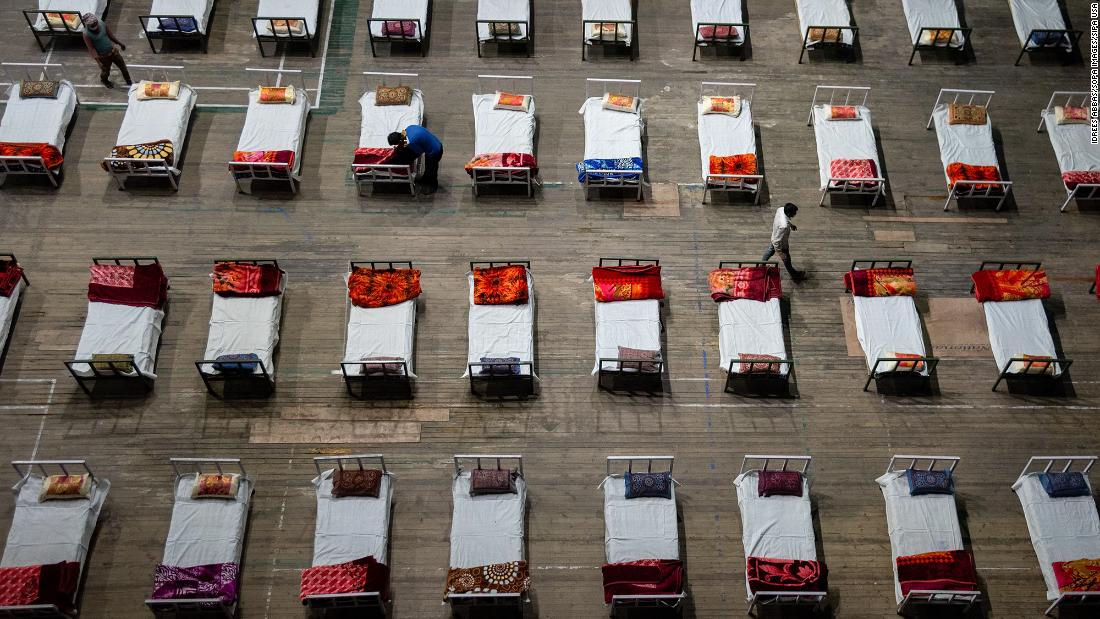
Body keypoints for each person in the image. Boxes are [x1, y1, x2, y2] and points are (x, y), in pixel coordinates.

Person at [81, 13, 131, 89]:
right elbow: (91, 49)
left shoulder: (101, 24)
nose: (95, 26)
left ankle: (128, 80)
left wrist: (120, 44)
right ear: (87, 25)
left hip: (113, 51)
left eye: (95, 23)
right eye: (92, 25)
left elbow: (111, 36)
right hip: (103, 56)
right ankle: (104, 80)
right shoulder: (86, 34)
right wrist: (99, 62)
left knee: (123, 66)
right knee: (105, 71)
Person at [388, 126, 443, 194]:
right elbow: (405, 141)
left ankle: (432, 186)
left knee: (431, 170)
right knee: (428, 167)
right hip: (433, 143)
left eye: (395, 144)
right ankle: (425, 180)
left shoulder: (413, 141)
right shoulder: (407, 129)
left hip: (434, 151)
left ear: (399, 141)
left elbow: (417, 153)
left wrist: (406, 158)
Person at [762, 203, 807, 280]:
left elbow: (784, 219)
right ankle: (794, 276)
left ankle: (762, 265)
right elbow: (777, 242)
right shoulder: (784, 226)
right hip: (781, 243)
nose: (795, 214)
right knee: (787, 259)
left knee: (770, 250)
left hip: (774, 234)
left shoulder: (781, 209)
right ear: (789, 213)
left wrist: (791, 225)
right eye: (794, 213)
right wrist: (781, 254)